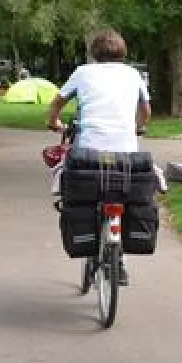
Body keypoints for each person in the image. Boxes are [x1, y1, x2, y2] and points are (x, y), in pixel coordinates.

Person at [46, 28, 153, 285]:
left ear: (94, 53)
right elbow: (146, 109)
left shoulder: (82, 73)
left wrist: (54, 122)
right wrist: (137, 127)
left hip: (88, 152)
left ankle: (88, 240)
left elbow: (57, 102)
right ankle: (121, 260)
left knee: (80, 188)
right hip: (126, 152)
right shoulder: (133, 74)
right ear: (122, 52)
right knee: (125, 197)